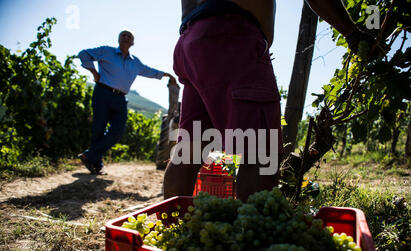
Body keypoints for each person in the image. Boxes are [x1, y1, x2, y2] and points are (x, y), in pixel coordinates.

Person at [163, 0, 378, 201]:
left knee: (189, 151)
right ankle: (253, 235)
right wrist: (352, 33)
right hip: (234, 35)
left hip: (192, 42)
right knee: (260, 155)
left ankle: (172, 227)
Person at [78, 30, 177, 174]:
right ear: (118, 39)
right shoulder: (106, 51)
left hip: (120, 98)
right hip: (102, 93)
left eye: (129, 36)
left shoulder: (135, 62)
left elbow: (148, 70)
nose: (126, 37)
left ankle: (90, 155)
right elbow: (83, 54)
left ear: (133, 43)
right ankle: (96, 164)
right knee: (98, 129)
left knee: (118, 130)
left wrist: (165, 74)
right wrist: (94, 72)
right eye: (123, 35)